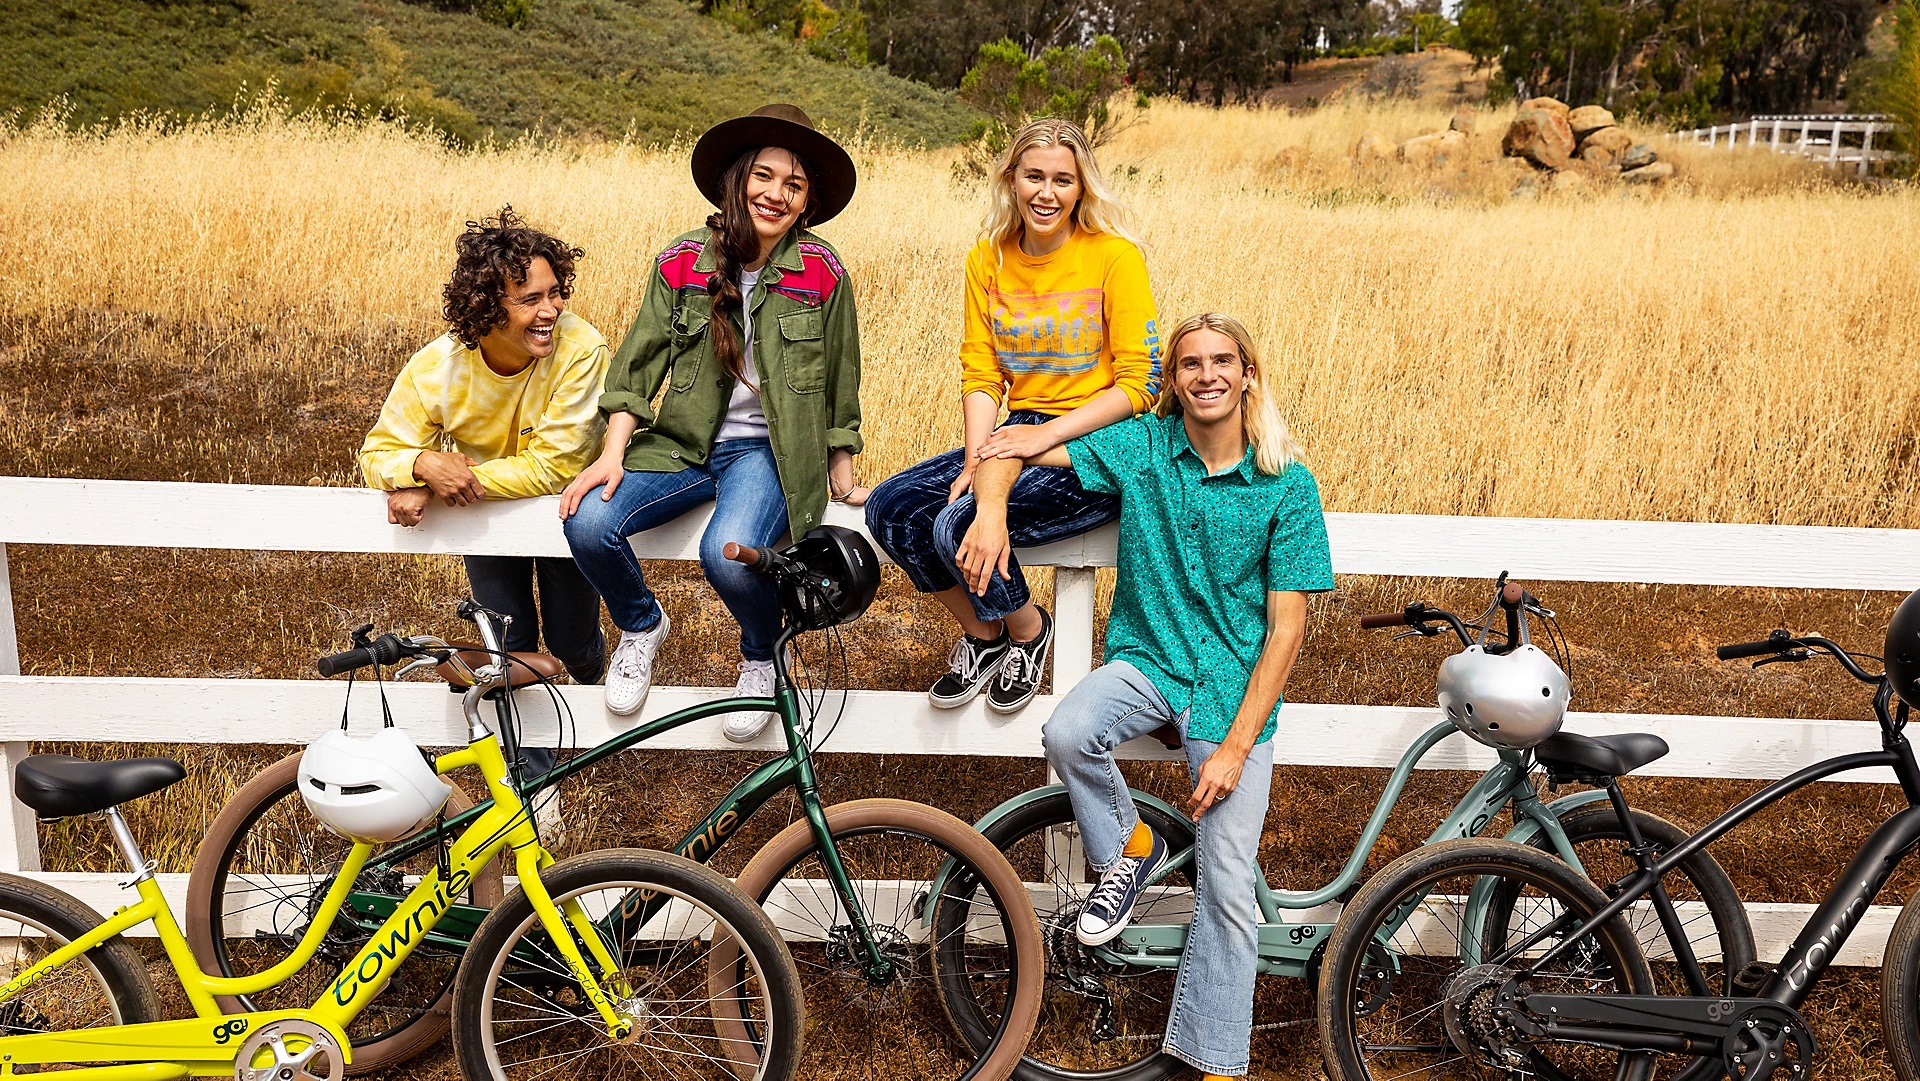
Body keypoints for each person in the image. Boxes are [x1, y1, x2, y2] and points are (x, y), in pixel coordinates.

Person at [971, 312, 1333, 1080]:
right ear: (1172, 379)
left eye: (1222, 361)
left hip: (1234, 689)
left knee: (1228, 884)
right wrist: (994, 499)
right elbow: (1013, 447)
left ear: (1248, 375)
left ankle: (1214, 1064)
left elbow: (1285, 634)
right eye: (1190, 363)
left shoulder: (1288, 487)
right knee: (1069, 728)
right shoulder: (1141, 448)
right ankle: (1130, 848)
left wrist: (1234, 747)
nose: (1206, 375)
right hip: (1150, 662)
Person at [559, 104, 864, 742]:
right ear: (737, 179)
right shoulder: (681, 262)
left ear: (806, 203)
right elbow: (637, 365)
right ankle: (641, 626)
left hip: (769, 453)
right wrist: (614, 453)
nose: (775, 194)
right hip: (683, 446)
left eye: (794, 184)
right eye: (764, 175)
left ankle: (762, 653)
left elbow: (841, 376)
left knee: (727, 556)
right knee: (588, 523)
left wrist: (838, 469)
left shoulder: (823, 271)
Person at [865, 117, 1160, 715]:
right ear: (1011, 180)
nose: (1047, 193)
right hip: (1018, 427)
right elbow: (981, 374)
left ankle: (1029, 630)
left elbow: (1143, 383)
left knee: (955, 527)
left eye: (1063, 180)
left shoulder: (1114, 258)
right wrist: (979, 459)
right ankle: (984, 634)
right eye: (1034, 177)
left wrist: (1037, 438)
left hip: (1101, 439)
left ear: (1081, 189)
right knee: (890, 509)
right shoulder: (987, 259)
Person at [359, 208, 610, 779]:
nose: (551, 310)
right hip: (486, 522)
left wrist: (442, 482)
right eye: (529, 300)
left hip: (566, 512)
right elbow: (378, 450)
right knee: (506, 642)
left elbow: (556, 466)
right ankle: (534, 779)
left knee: (573, 642)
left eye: (555, 293)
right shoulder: (440, 365)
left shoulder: (581, 349)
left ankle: (591, 705)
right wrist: (421, 462)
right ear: (486, 307)